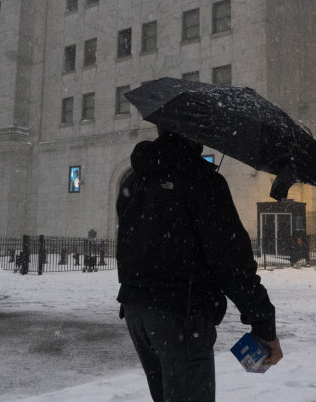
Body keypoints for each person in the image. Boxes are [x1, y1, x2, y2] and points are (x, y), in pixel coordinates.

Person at [116, 129, 283, 401]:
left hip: (137, 312)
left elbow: (129, 244)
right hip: (181, 315)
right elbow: (232, 262)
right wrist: (263, 324)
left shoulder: (136, 180)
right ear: (193, 134)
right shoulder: (204, 182)